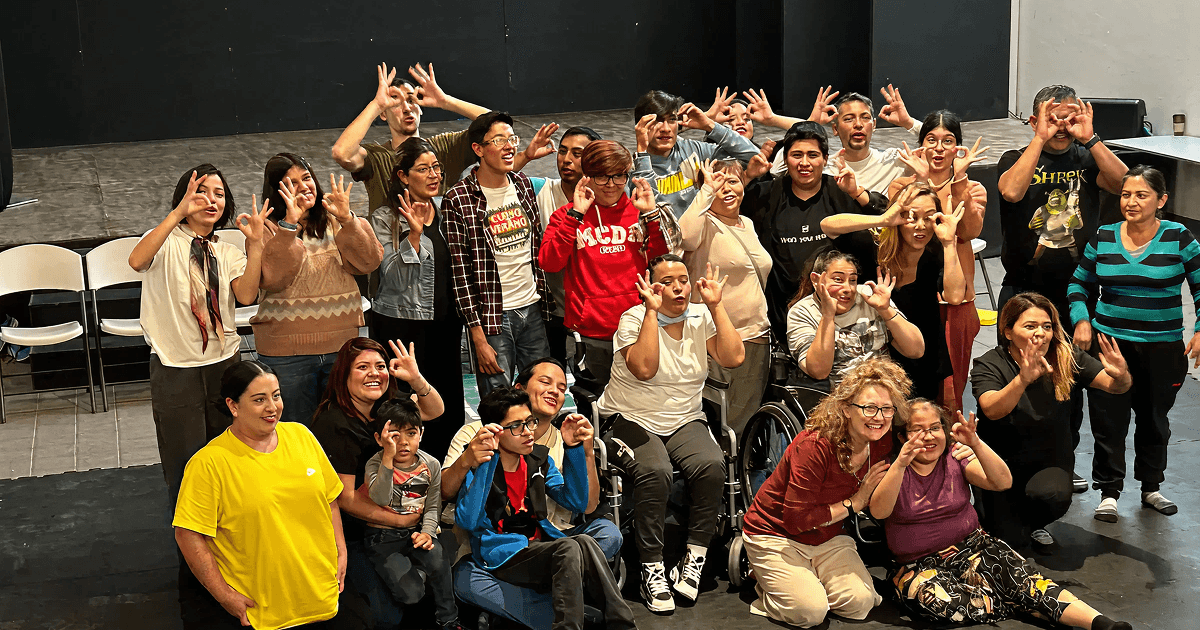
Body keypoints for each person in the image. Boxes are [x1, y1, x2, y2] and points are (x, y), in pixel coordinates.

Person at [871, 400, 1134, 630]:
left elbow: (1001, 481)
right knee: (943, 604)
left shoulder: (955, 456)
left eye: (935, 428)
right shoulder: (892, 468)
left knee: (1028, 580)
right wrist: (902, 463)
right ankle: (1020, 599)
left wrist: (975, 443)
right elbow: (880, 511)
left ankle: (1099, 623)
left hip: (974, 547)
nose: (928, 437)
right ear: (902, 436)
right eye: (918, 430)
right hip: (918, 564)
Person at [598, 254, 744, 612]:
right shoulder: (633, 319)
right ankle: (652, 566)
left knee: (712, 464)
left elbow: (734, 357)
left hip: (684, 418)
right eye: (667, 280)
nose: (678, 286)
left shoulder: (700, 316)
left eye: (683, 278)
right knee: (655, 470)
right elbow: (645, 369)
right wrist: (651, 312)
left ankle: (693, 557)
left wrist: (716, 306)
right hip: (630, 418)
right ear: (651, 286)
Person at [440, 357, 621, 628]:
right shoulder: (476, 445)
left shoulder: (541, 455)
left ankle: (543, 610)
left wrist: (577, 451)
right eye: (517, 426)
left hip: (546, 543)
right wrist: (477, 460)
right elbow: (465, 515)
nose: (527, 432)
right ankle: (573, 611)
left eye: (530, 423)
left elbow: (579, 503)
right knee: (465, 579)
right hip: (500, 552)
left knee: (598, 537)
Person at [129, 164, 268, 507]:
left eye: (219, 194)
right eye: (201, 192)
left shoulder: (228, 251)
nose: (211, 200)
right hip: (175, 366)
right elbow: (136, 260)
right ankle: (190, 545)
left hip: (224, 364)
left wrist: (257, 247)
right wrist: (177, 213)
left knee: (229, 456)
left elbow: (247, 295)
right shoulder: (164, 240)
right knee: (184, 464)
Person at [1068, 165, 1200, 522]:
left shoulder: (1180, 238)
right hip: (1109, 348)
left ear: (1161, 200)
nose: (1131, 201)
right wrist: (1081, 319)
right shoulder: (1104, 237)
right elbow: (1078, 285)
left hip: (1163, 349)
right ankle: (1108, 491)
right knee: (1108, 420)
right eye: (1126, 194)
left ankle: (1151, 487)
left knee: (1154, 420)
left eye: (1142, 195)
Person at [173, 361, 347, 629]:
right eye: (259, 400)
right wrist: (224, 595)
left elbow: (330, 500)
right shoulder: (208, 463)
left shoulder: (302, 436)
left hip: (320, 599)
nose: (272, 407)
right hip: (262, 612)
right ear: (233, 406)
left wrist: (341, 552)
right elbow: (188, 534)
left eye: (276, 396)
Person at [740, 358, 907, 627]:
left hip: (826, 535)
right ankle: (764, 582)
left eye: (887, 409)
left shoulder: (881, 440)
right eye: (869, 408)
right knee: (809, 613)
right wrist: (855, 502)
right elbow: (796, 520)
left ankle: (805, 580)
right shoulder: (814, 446)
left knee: (860, 604)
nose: (879, 417)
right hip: (777, 532)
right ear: (845, 409)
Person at [970, 293, 1130, 547]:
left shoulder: (1066, 355)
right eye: (1030, 326)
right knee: (1002, 538)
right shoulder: (990, 363)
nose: (1041, 333)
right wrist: (1022, 379)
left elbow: (1114, 386)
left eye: (1047, 326)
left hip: (1048, 461)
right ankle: (1009, 519)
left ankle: (1033, 523)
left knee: (1052, 495)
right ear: (1008, 332)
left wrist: (1121, 375)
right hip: (999, 463)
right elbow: (991, 409)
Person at [311, 337, 445, 627]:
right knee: (385, 614)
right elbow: (345, 498)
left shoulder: (389, 405)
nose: (374, 373)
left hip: (404, 517)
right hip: (359, 531)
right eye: (362, 367)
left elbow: (435, 410)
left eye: (381, 366)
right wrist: (400, 522)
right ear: (344, 374)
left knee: (435, 585)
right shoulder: (333, 422)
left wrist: (417, 379)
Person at [252, 154, 383, 426]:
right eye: (292, 183)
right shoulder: (266, 228)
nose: (304, 187)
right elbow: (274, 279)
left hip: (342, 348)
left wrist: (348, 220)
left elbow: (368, 261)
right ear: (278, 191)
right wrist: (289, 227)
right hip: (287, 355)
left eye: (307, 178)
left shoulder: (337, 219)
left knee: (343, 432)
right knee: (296, 436)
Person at [539, 140, 671, 385]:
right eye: (602, 177)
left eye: (619, 176)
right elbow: (549, 263)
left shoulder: (638, 211)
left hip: (638, 328)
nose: (611, 185)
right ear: (587, 177)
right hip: (590, 335)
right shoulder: (566, 216)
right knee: (595, 409)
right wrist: (575, 217)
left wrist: (651, 215)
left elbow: (660, 261)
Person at [822, 182, 967, 403]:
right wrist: (882, 219)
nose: (920, 226)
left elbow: (955, 296)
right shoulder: (874, 246)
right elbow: (827, 225)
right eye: (911, 216)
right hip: (877, 356)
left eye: (928, 217)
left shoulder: (937, 250)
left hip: (923, 349)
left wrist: (949, 243)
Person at [741, 121, 887, 340]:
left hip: (843, 322)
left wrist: (856, 191)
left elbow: (884, 214)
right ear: (785, 158)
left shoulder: (841, 190)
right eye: (796, 155)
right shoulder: (766, 195)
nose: (804, 163)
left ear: (825, 159)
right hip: (784, 318)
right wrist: (747, 177)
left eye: (813, 155)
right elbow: (722, 205)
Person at [444, 111, 554, 396]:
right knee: (499, 400)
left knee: (541, 393)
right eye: (499, 140)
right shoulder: (458, 199)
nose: (509, 146)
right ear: (478, 149)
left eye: (512, 139)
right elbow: (461, 272)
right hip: (493, 318)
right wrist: (478, 337)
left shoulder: (523, 185)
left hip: (532, 308)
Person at [369, 137, 465, 459]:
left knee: (447, 406)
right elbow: (391, 278)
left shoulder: (447, 212)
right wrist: (414, 235)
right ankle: (402, 478)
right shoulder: (385, 219)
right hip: (402, 328)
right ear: (403, 177)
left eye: (436, 167)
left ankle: (444, 476)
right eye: (423, 169)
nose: (434, 174)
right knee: (405, 408)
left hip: (445, 326)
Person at [887, 110, 989, 411]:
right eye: (932, 140)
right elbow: (896, 230)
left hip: (955, 302)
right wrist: (919, 182)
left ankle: (948, 456)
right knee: (908, 388)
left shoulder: (972, 189)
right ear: (921, 146)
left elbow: (969, 230)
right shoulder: (899, 187)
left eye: (948, 141)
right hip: (911, 298)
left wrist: (959, 183)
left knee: (950, 395)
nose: (939, 148)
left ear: (958, 148)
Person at [679, 159, 773, 436]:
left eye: (732, 181)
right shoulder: (702, 222)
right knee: (720, 423)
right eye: (719, 183)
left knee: (746, 421)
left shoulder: (747, 223)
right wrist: (706, 191)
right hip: (714, 341)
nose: (727, 189)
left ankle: (745, 474)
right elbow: (684, 238)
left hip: (755, 335)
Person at [363, 400, 463, 630]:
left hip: (414, 533)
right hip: (382, 538)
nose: (404, 442)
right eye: (395, 435)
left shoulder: (431, 465)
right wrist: (387, 459)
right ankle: (415, 573)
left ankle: (449, 618)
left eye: (411, 433)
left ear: (421, 433)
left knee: (439, 557)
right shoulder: (375, 463)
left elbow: (432, 506)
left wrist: (428, 533)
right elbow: (380, 499)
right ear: (380, 438)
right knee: (411, 594)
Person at [331, 62, 484, 211]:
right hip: (392, 236)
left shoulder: (445, 147)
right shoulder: (378, 157)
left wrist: (446, 101)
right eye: (396, 103)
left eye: (411, 101)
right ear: (383, 114)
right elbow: (341, 153)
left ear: (420, 108)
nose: (406, 108)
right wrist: (376, 105)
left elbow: (498, 128)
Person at [786, 249, 925, 390]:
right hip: (836, 399)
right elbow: (818, 371)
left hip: (884, 392)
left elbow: (916, 350)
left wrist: (885, 309)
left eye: (852, 280)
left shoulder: (870, 297)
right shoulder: (802, 312)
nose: (848, 288)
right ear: (816, 280)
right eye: (838, 280)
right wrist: (828, 316)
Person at [752, 87, 921, 192]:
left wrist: (909, 123)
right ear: (835, 129)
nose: (858, 124)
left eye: (865, 118)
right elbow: (779, 168)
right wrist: (810, 123)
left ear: (874, 125)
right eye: (848, 119)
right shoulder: (822, 166)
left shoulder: (894, 160)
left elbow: (942, 144)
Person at [530, 126, 603, 362]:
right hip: (552, 307)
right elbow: (499, 176)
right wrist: (527, 155)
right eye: (562, 151)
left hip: (594, 309)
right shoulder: (542, 190)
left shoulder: (608, 196)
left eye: (577, 153)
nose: (567, 160)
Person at [630, 89, 760, 218]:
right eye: (657, 120)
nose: (666, 129)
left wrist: (709, 125)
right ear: (641, 125)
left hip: (701, 234)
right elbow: (651, 210)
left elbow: (754, 155)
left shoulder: (694, 150)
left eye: (672, 119)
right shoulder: (634, 166)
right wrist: (642, 152)